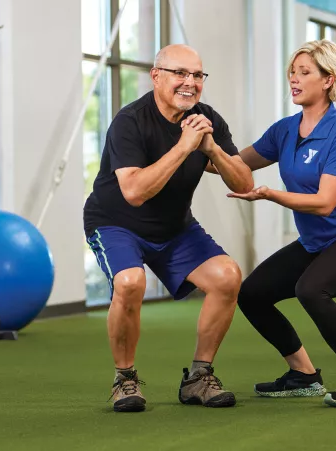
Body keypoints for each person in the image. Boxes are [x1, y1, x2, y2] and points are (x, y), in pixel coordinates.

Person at [83, 44, 254, 412]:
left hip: (174, 228)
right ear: (156, 76)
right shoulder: (130, 121)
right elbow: (133, 192)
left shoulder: (206, 118)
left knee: (227, 277)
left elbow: (243, 184)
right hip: (116, 223)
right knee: (129, 282)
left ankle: (198, 378)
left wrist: (213, 150)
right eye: (180, 73)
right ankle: (124, 380)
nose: (189, 83)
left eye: (196, 75)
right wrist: (183, 146)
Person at [226, 39, 336, 408]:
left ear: (328, 80)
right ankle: (303, 374)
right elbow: (236, 165)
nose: (294, 80)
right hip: (316, 243)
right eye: (292, 72)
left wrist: (269, 195)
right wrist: (199, 146)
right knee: (252, 294)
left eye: (304, 73)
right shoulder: (285, 130)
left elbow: (324, 203)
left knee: (311, 289)